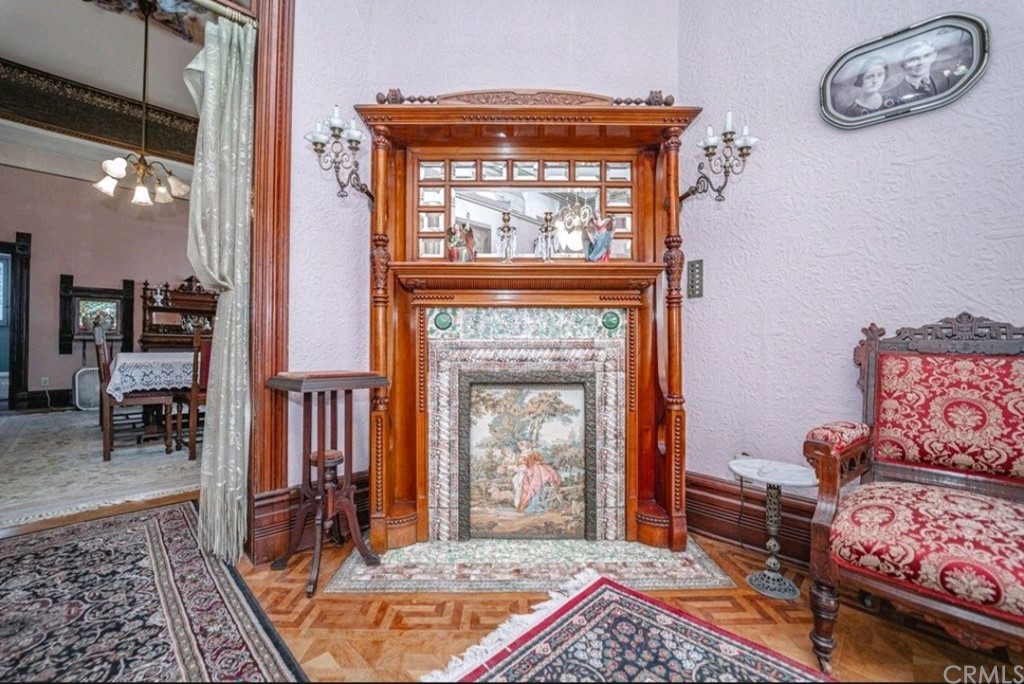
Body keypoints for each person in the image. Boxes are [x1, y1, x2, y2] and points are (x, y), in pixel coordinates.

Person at [881, 39, 959, 107]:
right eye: (913, 59)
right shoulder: (893, 94)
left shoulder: (946, 80)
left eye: (926, 56)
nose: (921, 62)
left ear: (934, 56)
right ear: (902, 63)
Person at [514, 441, 562, 513]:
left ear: (525, 446)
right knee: (526, 485)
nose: (520, 448)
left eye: (521, 446)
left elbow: (540, 459)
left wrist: (535, 462)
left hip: (535, 470)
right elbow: (523, 464)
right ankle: (530, 505)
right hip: (530, 470)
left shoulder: (531, 452)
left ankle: (535, 506)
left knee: (534, 484)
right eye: (520, 447)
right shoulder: (524, 454)